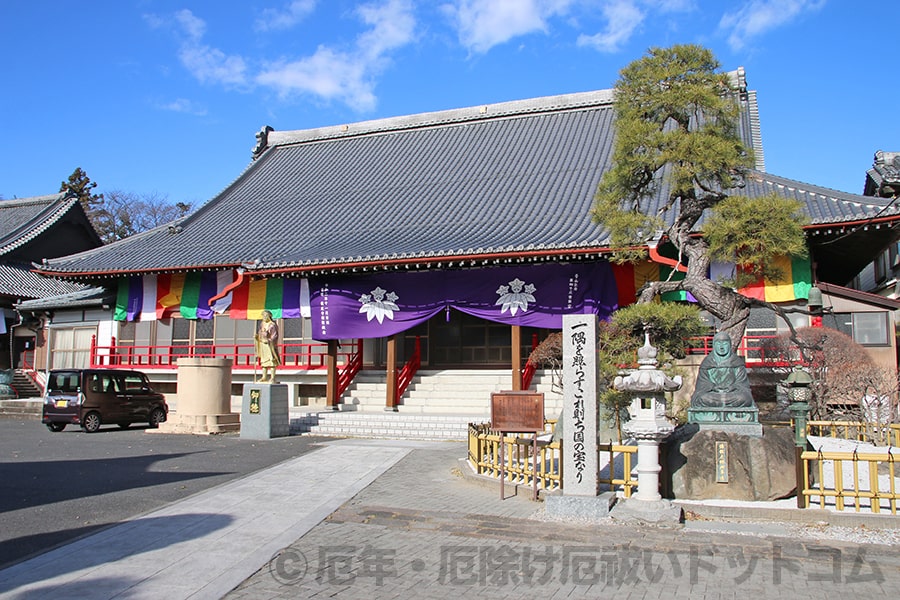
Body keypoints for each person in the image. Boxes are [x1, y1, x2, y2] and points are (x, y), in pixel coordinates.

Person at [691, 331, 754, 408]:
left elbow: (742, 385)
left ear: (730, 345)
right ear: (714, 345)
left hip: (732, 394)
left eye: (724, 343)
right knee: (702, 398)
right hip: (713, 394)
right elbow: (702, 385)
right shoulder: (707, 363)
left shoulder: (737, 362)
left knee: (744, 398)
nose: (721, 347)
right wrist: (713, 387)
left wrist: (733, 387)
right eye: (718, 344)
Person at [254, 310, 281, 383]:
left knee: (272, 361)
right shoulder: (262, 324)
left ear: (269, 316)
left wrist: (269, 340)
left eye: (266, 316)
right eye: (263, 316)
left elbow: (274, 336)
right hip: (263, 344)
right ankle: (264, 377)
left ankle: (272, 377)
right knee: (264, 362)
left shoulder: (272, 325)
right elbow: (260, 333)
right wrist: (257, 338)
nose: (264, 317)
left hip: (270, 345)